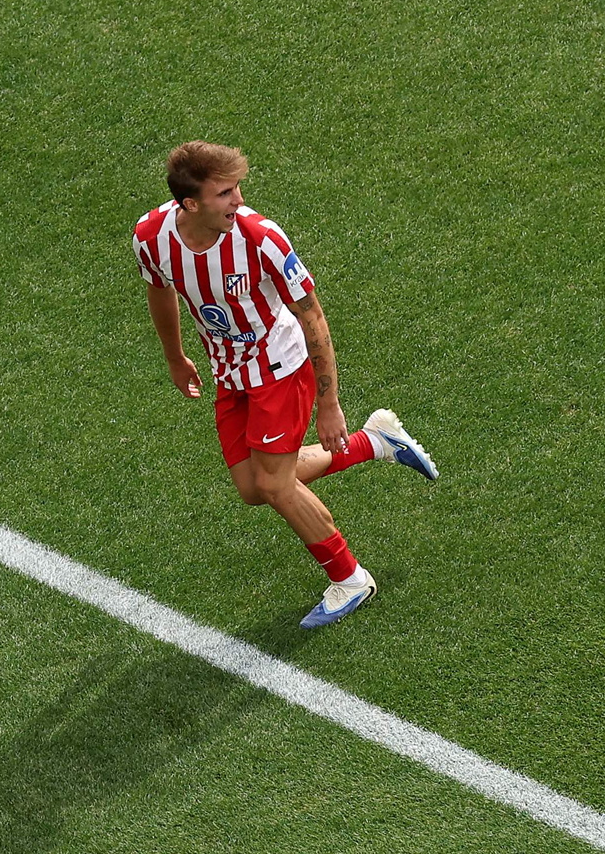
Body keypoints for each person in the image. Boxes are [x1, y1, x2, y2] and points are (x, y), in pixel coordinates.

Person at [132, 141, 438, 626]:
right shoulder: (152, 237)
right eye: (224, 193)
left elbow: (312, 315)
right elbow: (158, 290)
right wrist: (175, 358)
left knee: (275, 486)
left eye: (238, 189)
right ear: (189, 204)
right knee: (254, 488)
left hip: (281, 368)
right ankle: (375, 442)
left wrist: (328, 400)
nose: (238, 200)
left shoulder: (260, 239)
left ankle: (350, 578)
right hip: (228, 372)